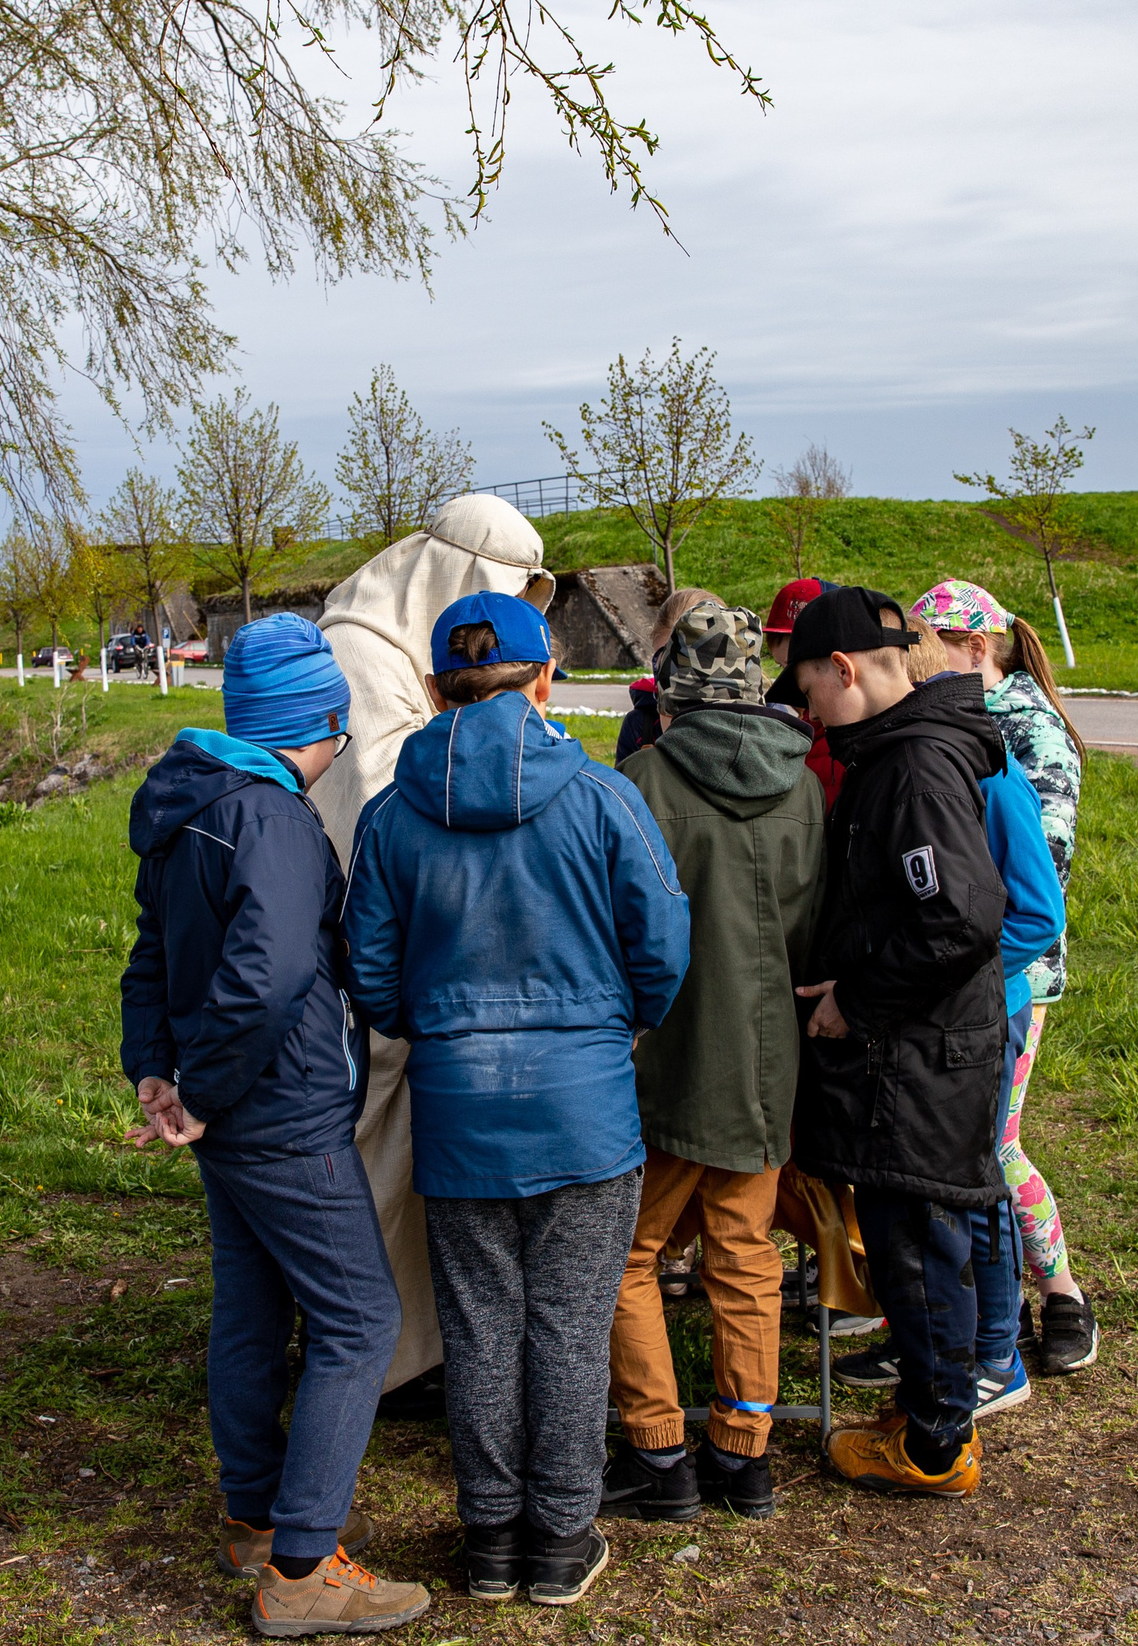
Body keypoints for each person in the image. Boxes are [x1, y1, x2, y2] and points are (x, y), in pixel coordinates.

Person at [342, 591, 690, 1607]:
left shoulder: (391, 813)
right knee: (571, 1325)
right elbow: (662, 944)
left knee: (481, 1325)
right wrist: (615, 1023)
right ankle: (560, 1538)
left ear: (437, 687)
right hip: (584, 1107)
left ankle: (492, 1539)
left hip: (458, 1104)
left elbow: (370, 971)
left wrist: (436, 1026)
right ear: (543, 679)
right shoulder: (601, 796)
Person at [119, 614, 430, 1638]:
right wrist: (200, 1091)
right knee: (359, 1318)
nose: (343, 743)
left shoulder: (184, 803)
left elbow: (152, 955)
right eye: (339, 726)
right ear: (316, 723)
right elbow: (269, 978)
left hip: (224, 1115)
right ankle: (302, 1570)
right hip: (283, 1109)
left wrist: (156, 1069)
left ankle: (253, 1516)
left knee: (252, 1307)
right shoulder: (275, 819)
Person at [308, 495, 559, 1404]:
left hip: (433, 936)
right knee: (376, 1153)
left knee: (418, 1161)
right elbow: (378, 802)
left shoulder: (406, 651)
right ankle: (382, 1354)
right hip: (376, 940)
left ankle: (413, 1344)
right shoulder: (360, 651)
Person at [773, 586, 1010, 1499]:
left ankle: (936, 1446)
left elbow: (958, 919)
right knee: (911, 1240)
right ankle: (925, 1408)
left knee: (916, 1247)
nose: (808, 711)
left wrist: (857, 1001)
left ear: (844, 669)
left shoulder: (913, 768)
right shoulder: (899, 754)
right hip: (917, 1050)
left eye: (808, 688)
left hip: (920, 1058)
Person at [601, 600, 826, 1524]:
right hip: (768, 1064)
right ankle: (745, 1456)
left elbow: (616, 929)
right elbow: (811, 933)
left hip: (664, 1063)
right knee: (746, 1255)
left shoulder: (638, 782)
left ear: (670, 699)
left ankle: (659, 1453)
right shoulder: (804, 785)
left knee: (625, 1255)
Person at [829, 621, 1063, 1417]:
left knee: (974, 1180)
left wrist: (960, 982)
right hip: (931, 1011)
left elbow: (1037, 913)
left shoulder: (988, 775)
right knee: (934, 1186)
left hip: (982, 1012)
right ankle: (928, 1341)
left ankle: (997, 1352)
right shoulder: (926, 765)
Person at [907, 580, 1096, 1373]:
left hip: (1015, 972)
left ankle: (1062, 1295)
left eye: (928, 652)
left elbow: (1040, 874)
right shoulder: (971, 717)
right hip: (964, 968)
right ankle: (990, 1309)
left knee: (997, 1146)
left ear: (975, 649)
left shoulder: (1029, 731)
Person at [612, 586, 718, 765]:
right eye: (666, 666)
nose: (680, 682)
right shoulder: (641, 725)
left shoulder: (759, 722)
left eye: (696, 663)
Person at [765, 578, 844, 804]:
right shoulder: (810, 727)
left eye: (795, 669)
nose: (791, 685)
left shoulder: (842, 734)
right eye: (781, 667)